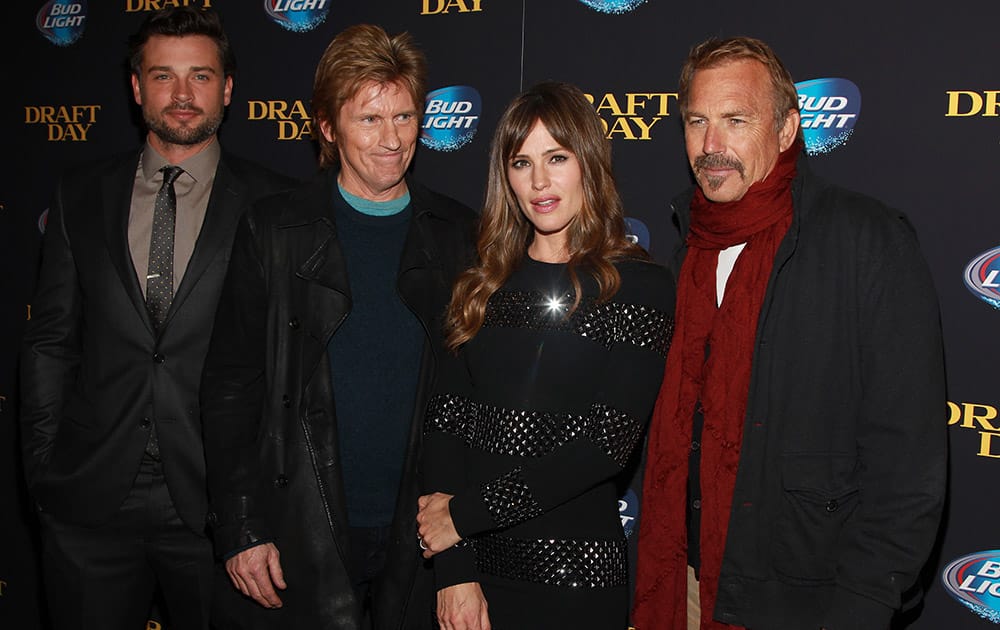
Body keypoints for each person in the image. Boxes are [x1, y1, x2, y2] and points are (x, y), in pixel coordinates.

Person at [632, 36, 947, 630]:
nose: (712, 145)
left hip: (809, 603)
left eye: (736, 120)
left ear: (786, 129)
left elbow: (908, 463)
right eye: (697, 121)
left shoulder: (868, 243)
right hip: (683, 586)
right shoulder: (683, 257)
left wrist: (863, 607)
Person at [18, 7, 295, 630]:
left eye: (200, 75)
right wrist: (43, 471)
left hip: (220, 510)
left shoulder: (277, 203)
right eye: (163, 76)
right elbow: (50, 343)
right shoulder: (79, 193)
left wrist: (259, 505)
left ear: (227, 87)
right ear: (137, 86)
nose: (182, 94)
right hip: (88, 502)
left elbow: (290, 365)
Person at [199, 23, 477, 629]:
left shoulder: (458, 234)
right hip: (299, 527)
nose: (392, 140)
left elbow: (478, 397)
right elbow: (229, 388)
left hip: (422, 533)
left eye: (404, 117)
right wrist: (242, 525)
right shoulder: (274, 231)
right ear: (328, 127)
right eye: (370, 120)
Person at [416, 81, 675, 630]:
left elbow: (606, 445)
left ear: (588, 162)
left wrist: (462, 518)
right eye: (521, 162)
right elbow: (444, 430)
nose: (539, 182)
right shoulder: (479, 285)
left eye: (557, 158)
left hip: (574, 579)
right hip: (472, 575)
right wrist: (454, 570)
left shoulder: (638, 286)